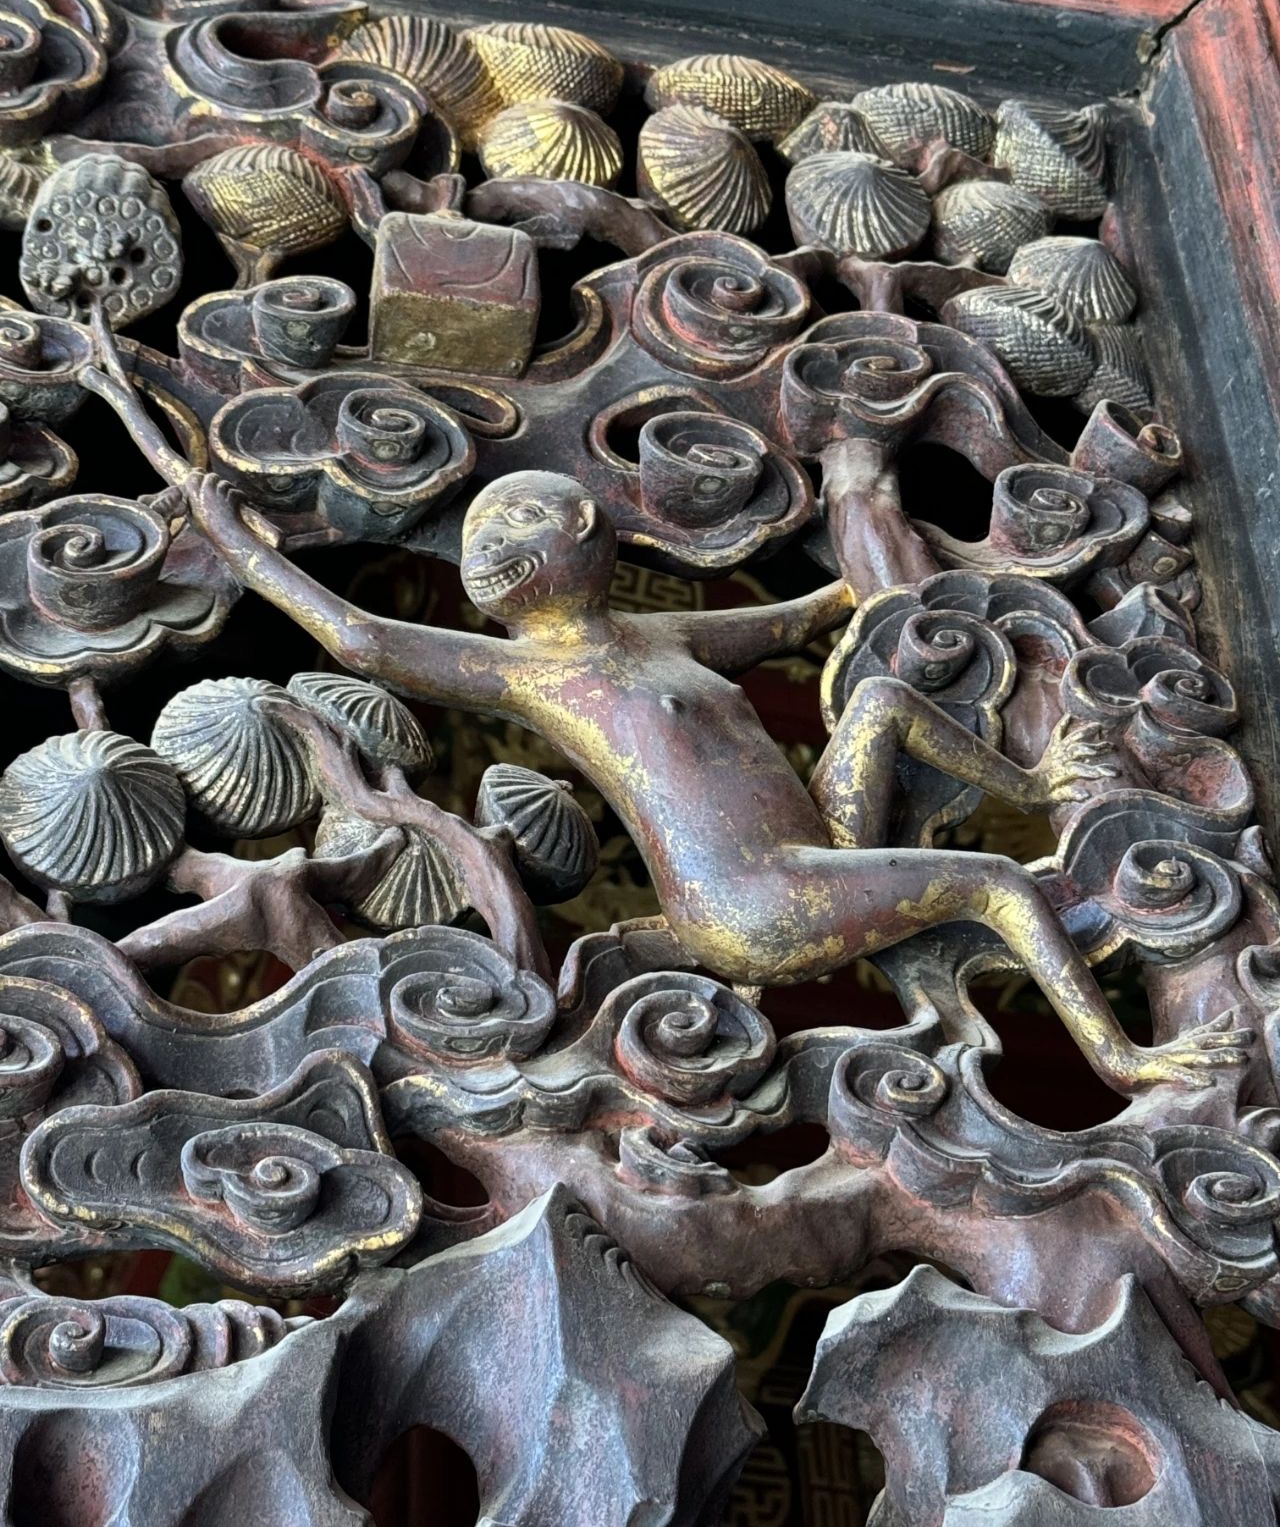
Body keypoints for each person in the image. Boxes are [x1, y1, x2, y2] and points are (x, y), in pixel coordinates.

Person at [184, 467, 1250, 1096]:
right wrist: (233, 535)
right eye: (474, 539)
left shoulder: (653, 634)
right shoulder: (533, 670)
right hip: (747, 907)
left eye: (509, 523)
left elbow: (799, 618)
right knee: (994, 884)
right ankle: (1123, 1062)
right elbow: (357, 636)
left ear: (580, 530)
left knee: (877, 705)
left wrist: (883, 554)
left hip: (816, 850)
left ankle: (1033, 778)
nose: (483, 551)